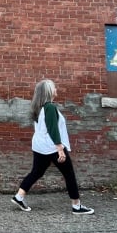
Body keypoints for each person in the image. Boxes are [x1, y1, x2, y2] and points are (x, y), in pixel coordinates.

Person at [11, 79, 94, 215]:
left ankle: (19, 196)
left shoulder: (39, 107)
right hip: (52, 146)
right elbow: (52, 129)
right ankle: (76, 206)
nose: (56, 90)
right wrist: (60, 149)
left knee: (37, 172)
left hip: (39, 145)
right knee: (69, 175)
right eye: (54, 88)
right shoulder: (49, 107)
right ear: (48, 92)